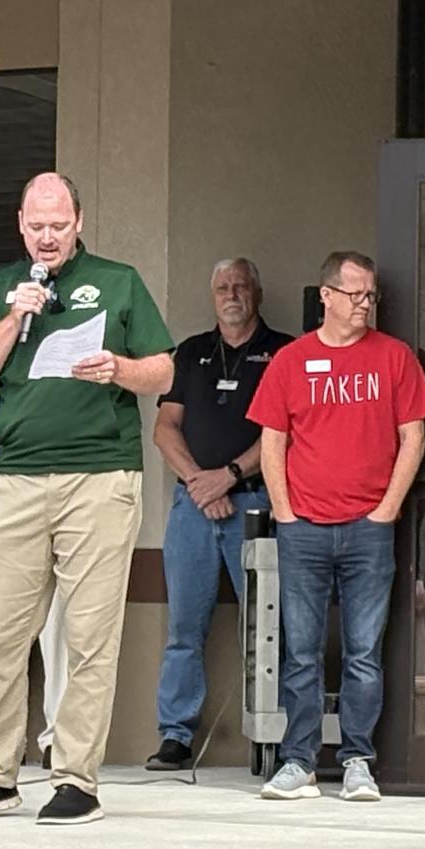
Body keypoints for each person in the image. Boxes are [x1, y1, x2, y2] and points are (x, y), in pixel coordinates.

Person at [0, 174, 174, 826]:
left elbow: (163, 366)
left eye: (59, 223)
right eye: (37, 225)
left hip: (99, 476)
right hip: (16, 477)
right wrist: (16, 316)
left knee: (88, 635)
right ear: (20, 223)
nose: (48, 235)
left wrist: (120, 370)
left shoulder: (118, 280)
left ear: (78, 220)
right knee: (1, 635)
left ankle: (75, 778)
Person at [250, 250, 425, 803]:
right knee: (301, 651)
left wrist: (387, 509)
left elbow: (414, 438)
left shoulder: (395, 358)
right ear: (325, 295)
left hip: (369, 528)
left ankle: (357, 760)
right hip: (303, 526)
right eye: (354, 294)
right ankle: (299, 762)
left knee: (362, 652)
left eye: (371, 295)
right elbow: (272, 443)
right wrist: (284, 512)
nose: (364, 304)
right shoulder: (290, 360)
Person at [148, 257, 292, 769]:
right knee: (184, 628)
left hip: (255, 504)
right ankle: (175, 736)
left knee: (267, 628)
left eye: (240, 286)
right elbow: (165, 428)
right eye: (222, 287)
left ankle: (272, 736)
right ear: (213, 296)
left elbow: (284, 431)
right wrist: (199, 483)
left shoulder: (283, 353)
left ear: (257, 291)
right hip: (192, 507)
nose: (232, 294)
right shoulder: (190, 352)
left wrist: (228, 476)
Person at [0, 381, 70, 766]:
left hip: (60, 471)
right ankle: (0, 749)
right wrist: (13, 428)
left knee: (60, 622)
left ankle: (59, 738)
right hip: (4, 468)